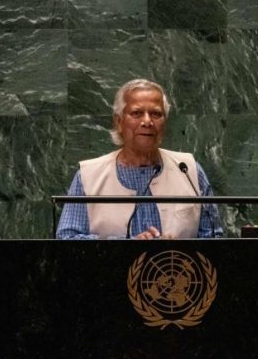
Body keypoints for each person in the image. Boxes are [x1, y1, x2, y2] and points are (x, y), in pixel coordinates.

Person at [56, 79, 223, 240]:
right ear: (119, 121)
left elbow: (214, 237)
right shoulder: (88, 176)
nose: (147, 121)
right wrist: (126, 245)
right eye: (136, 113)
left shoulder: (188, 170)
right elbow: (67, 238)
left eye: (156, 114)